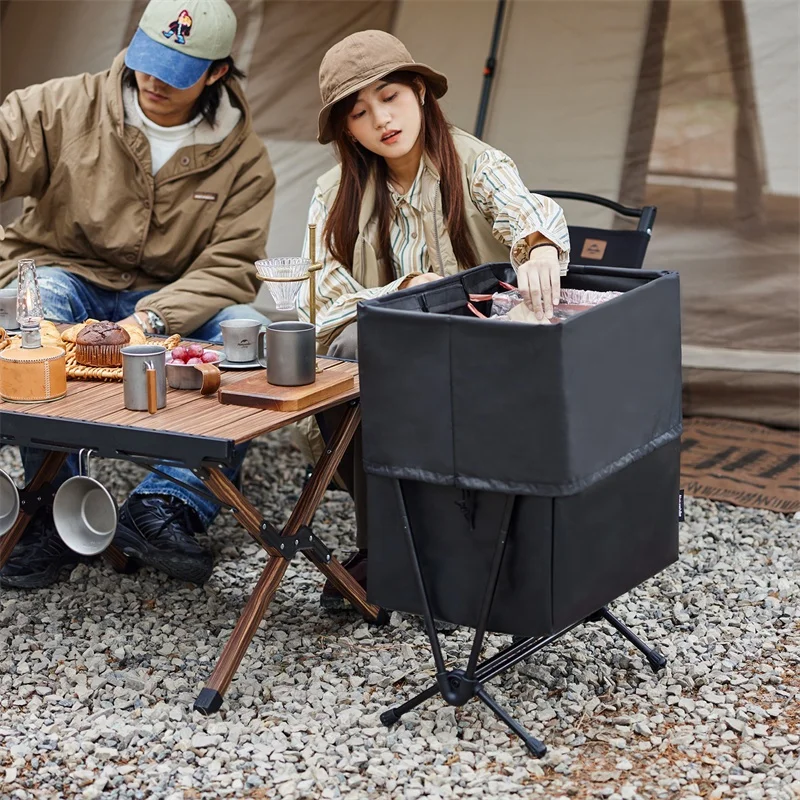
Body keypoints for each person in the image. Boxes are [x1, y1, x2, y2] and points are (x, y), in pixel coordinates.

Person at [0, 0, 275, 590]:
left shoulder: (244, 159)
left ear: (217, 72)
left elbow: (232, 264)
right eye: (147, 59)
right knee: (36, 307)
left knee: (251, 335)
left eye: (175, 71)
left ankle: (166, 503)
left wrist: (152, 320)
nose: (151, 79)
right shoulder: (61, 106)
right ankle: (50, 508)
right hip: (63, 268)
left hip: (171, 296)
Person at [296, 30, 571, 610]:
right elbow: (316, 301)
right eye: (360, 112)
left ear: (419, 92)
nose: (382, 120)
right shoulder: (333, 193)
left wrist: (540, 247)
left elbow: (525, 210)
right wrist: (406, 292)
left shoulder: (473, 162)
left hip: (476, 349)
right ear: (348, 129)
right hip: (395, 359)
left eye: (390, 96)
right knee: (340, 352)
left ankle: (466, 547)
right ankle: (389, 545)